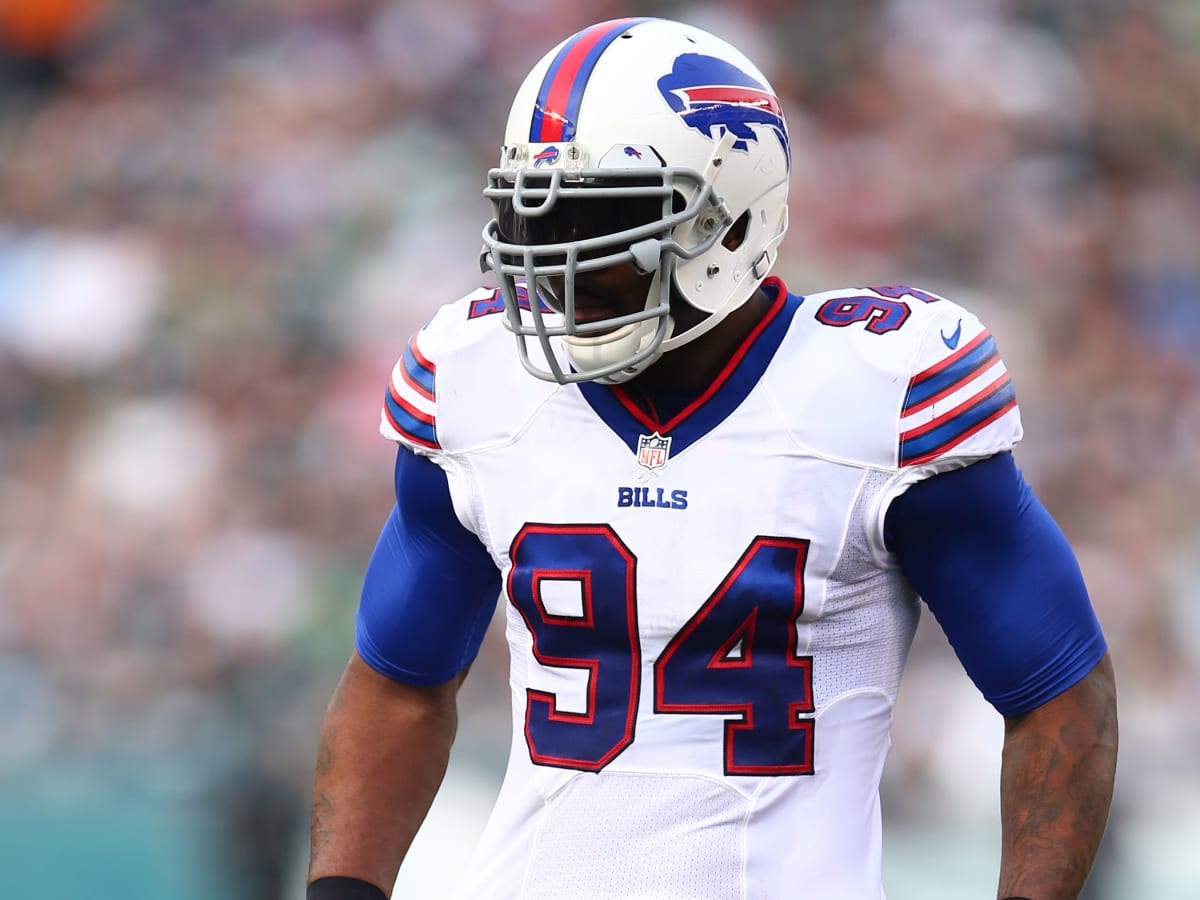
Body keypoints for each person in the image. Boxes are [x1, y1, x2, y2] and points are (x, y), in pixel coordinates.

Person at [306, 17, 1117, 900]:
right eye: (533, 218)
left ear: (728, 222)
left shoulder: (880, 390)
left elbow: (1057, 695)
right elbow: (399, 686)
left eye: (601, 224)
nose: (556, 272)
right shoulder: (475, 379)